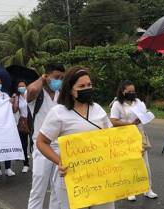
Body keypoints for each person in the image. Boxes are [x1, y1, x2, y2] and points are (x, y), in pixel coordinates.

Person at [37, 66, 114, 209]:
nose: (87, 88)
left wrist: (131, 150)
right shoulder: (58, 113)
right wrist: (59, 161)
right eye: (82, 86)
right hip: (73, 181)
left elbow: (112, 138)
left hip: (101, 178)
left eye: (89, 85)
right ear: (70, 89)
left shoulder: (97, 109)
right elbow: (41, 142)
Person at [110, 80, 158, 201]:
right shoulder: (117, 104)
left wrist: (144, 118)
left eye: (133, 91)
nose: (132, 93)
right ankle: (130, 191)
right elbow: (113, 121)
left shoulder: (138, 102)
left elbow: (144, 114)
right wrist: (129, 124)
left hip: (139, 135)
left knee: (144, 164)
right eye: (129, 91)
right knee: (129, 164)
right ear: (123, 91)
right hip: (125, 138)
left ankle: (148, 189)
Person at [27, 63, 65, 209]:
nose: (59, 81)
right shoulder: (37, 93)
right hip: (41, 147)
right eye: (56, 77)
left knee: (58, 190)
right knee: (38, 189)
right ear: (46, 76)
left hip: (60, 147)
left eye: (62, 78)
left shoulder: (61, 95)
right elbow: (31, 90)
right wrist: (42, 79)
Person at [13, 80, 30, 173]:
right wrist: (15, 100)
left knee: (33, 143)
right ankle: (26, 164)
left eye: (23, 86)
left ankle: (37, 163)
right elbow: (15, 110)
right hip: (23, 122)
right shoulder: (18, 98)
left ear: (26, 86)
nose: (21, 88)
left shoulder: (30, 95)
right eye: (19, 86)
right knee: (23, 144)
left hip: (32, 122)